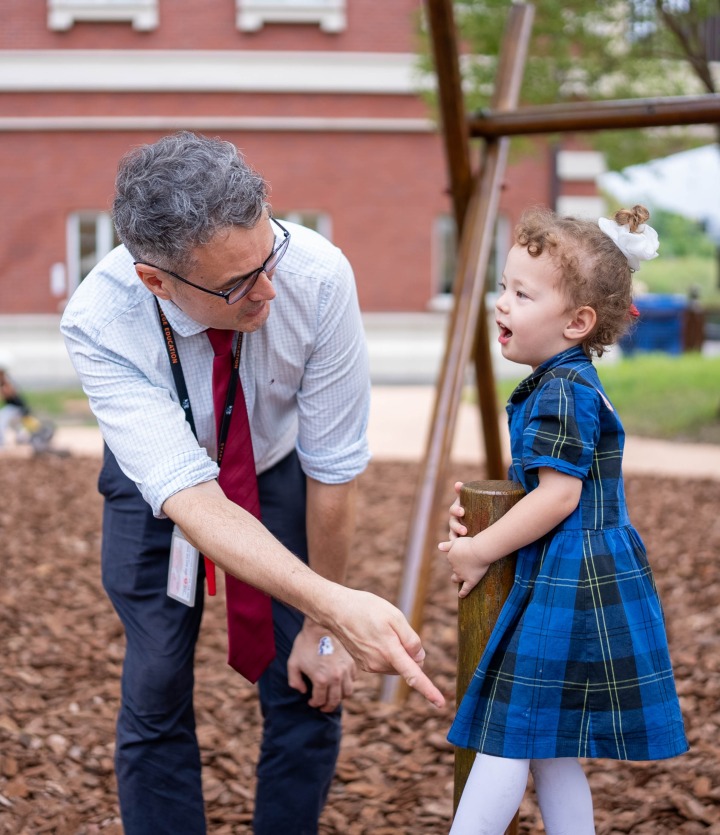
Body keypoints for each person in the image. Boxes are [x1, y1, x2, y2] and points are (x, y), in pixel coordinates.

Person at [61, 131, 444, 835]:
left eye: (268, 258)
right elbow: (191, 498)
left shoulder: (319, 277)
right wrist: (334, 602)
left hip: (278, 468)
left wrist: (325, 621)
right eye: (238, 284)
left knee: (313, 680)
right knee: (155, 683)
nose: (267, 288)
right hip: (162, 489)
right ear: (157, 280)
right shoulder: (99, 320)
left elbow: (332, 467)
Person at [438, 205, 688, 835]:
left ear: (577, 322)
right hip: (577, 575)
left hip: (572, 585)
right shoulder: (566, 380)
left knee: (506, 731)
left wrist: (477, 550)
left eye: (522, 293)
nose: (502, 304)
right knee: (548, 747)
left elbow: (557, 498)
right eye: (503, 287)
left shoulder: (560, 390)